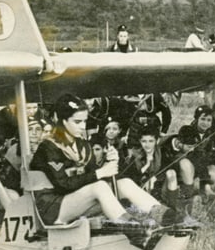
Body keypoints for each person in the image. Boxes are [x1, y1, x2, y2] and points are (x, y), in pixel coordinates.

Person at [29, 94, 182, 228]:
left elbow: (92, 175)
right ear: (61, 120)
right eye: (77, 122)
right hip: (50, 208)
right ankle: (133, 229)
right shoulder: (48, 147)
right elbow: (63, 184)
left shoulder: (81, 145)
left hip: (76, 200)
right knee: (99, 187)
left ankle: (167, 217)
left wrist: (111, 165)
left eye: (84, 121)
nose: (83, 127)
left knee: (124, 183)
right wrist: (100, 172)